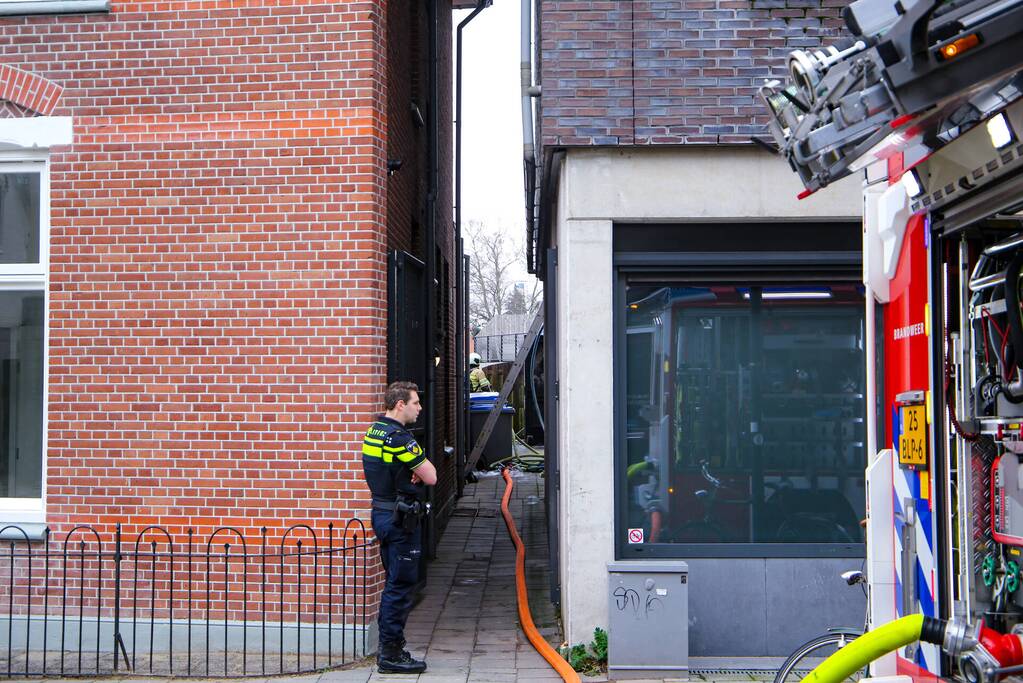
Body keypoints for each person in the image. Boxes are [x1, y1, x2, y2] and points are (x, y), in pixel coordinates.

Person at [362, 381, 437, 674]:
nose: (419, 408)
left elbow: (383, 471)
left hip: (382, 513)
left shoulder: (374, 431)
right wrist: (414, 472)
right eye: (415, 403)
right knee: (400, 585)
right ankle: (391, 654)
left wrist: (407, 471)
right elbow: (430, 475)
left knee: (393, 581)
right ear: (400, 405)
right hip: (400, 518)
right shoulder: (398, 438)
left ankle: (390, 648)